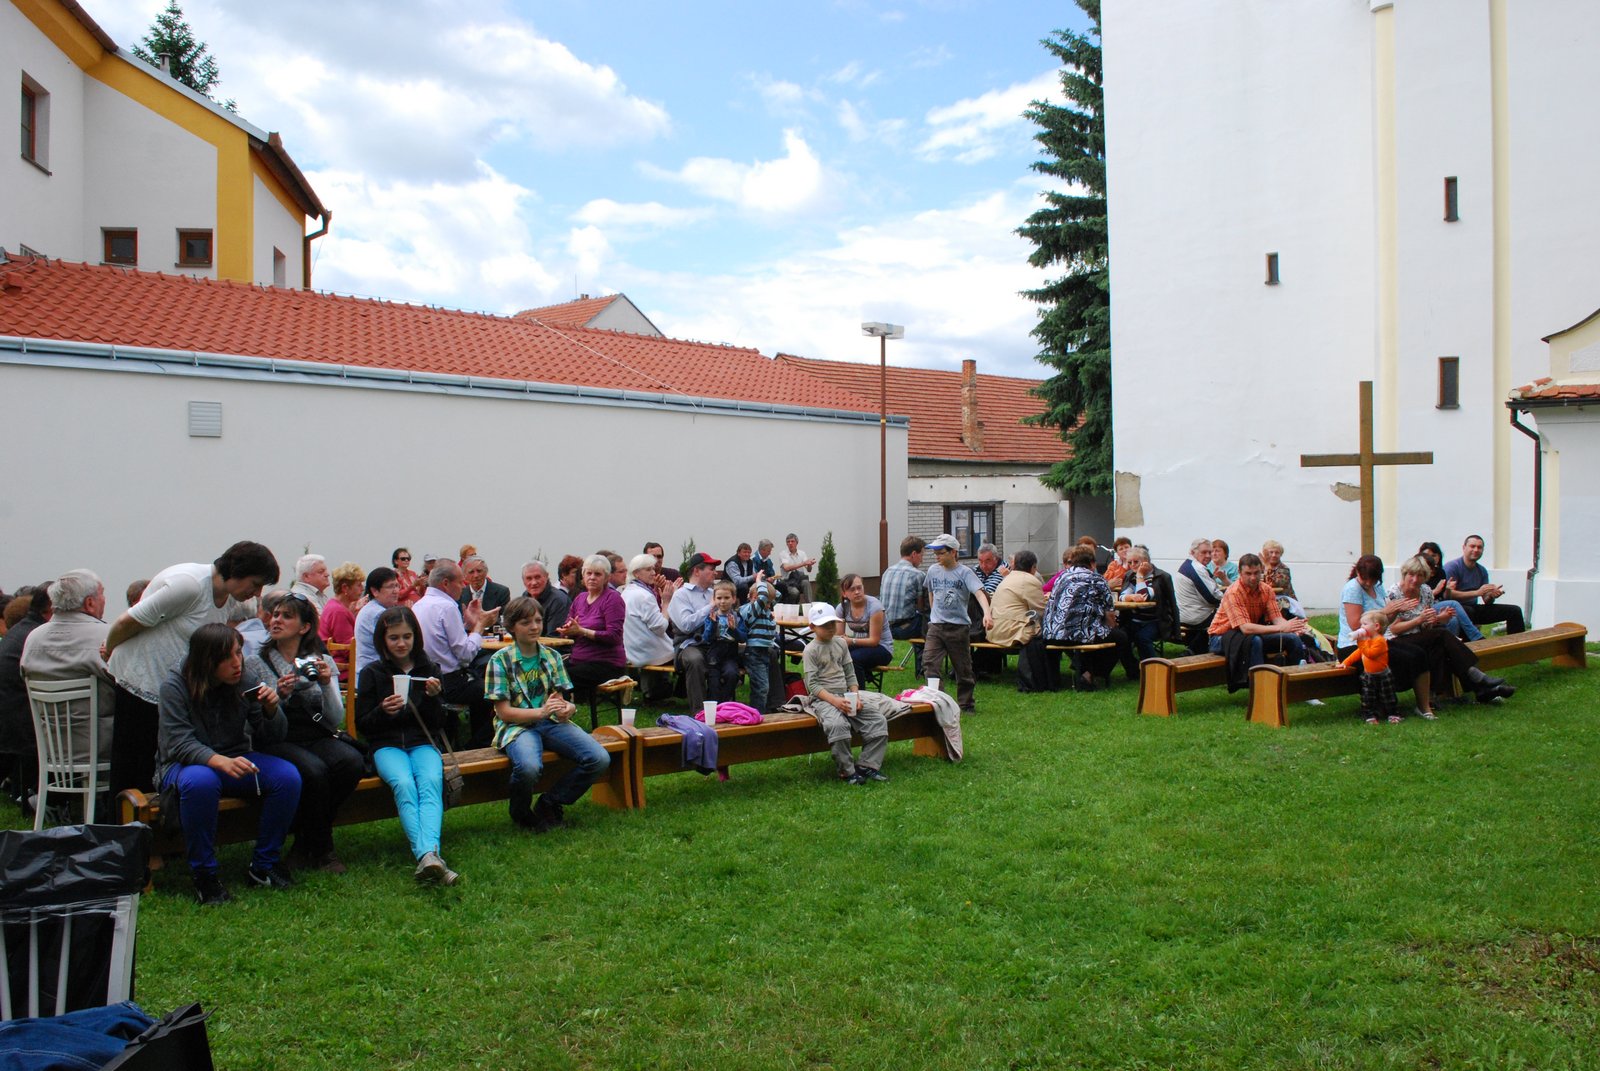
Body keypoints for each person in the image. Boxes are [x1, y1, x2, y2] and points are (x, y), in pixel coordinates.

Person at [104, 541, 279, 795]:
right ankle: (122, 820)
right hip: (140, 681)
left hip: (173, 686)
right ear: (236, 570)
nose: (257, 593)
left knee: (162, 766)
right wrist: (109, 649)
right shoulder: (189, 585)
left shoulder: (229, 598)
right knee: (134, 767)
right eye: (255, 583)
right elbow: (127, 621)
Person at [157, 624, 300, 904]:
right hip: (183, 764)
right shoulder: (175, 686)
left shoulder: (245, 679)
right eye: (227, 657)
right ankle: (205, 876)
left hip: (233, 757)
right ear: (207, 661)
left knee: (287, 777)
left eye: (238, 653)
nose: (237, 663)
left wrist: (273, 710)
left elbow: (272, 737)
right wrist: (217, 761)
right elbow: (178, 743)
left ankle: (264, 865)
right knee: (202, 782)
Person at [248, 592, 364, 874]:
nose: (276, 620)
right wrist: (279, 696)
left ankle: (304, 841)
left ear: (305, 627)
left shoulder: (319, 660)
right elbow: (259, 723)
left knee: (351, 762)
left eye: (286, 616)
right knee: (314, 771)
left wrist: (325, 683)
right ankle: (324, 849)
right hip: (276, 738)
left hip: (315, 732)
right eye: (275, 615)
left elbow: (334, 718)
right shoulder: (255, 663)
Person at [484, 597, 610, 832]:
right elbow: (503, 712)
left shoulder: (552, 656)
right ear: (512, 627)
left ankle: (550, 802)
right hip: (517, 727)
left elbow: (559, 699)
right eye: (525, 622)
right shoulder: (499, 661)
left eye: (538, 620)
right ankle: (521, 812)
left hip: (550, 722)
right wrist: (541, 711)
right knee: (529, 767)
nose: (534, 627)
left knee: (599, 758)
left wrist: (568, 709)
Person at [355, 605, 457, 885]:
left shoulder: (430, 670)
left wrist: (434, 698)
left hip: (422, 742)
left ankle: (428, 855)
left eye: (407, 636)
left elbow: (439, 723)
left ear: (416, 637)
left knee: (431, 782)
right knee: (403, 784)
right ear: (382, 640)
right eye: (394, 638)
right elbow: (362, 724)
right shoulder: (372, 672)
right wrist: (382, 711)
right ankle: (429, 855)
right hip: (386, 746)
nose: (401, 643)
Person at [17, 571, 115, 817]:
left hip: (53, 749)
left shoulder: (34, 638)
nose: (104, 600)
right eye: (102, 595)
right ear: (90, 603)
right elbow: (126, 683)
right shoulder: (105, 636)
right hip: (101, 747)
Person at [1385, 555, 1511, 707]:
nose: (1415, 579)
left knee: (1440, 646)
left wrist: (1436, 620)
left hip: (1420, 636)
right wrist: (1419, 620)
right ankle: (1477, 678)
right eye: (1411, 575)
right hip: (1397, 640)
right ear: (1404, 574)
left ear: (1425, 577)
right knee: (1442, 635)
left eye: (1420, 576)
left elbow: (1426, 625)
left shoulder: (1425, 591)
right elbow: (1393, 628)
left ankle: (1469, 692)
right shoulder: (1394, 593)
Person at [1337, 554, 1437, 717]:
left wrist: (1396, 611)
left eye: (1372, 580)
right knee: (1399, 659)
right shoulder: (1352, 589)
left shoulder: (1378, 587)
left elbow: (1383, 625)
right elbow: (1356, 625)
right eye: (1364, 579)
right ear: (1358, 573)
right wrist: (1384, 611)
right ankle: (1383, 705)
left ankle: (1424, 707)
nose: (1368, 583)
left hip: (1377, 641)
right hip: (1354, 646)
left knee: (1418, 654)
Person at [802, 604, 889, 785]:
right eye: (824, 625)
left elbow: (850, 674)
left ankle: (867, 765)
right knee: (838, 725)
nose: (830, 628)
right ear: (812, 627)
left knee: (877, 720)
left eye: (832, 624)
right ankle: (847, 771)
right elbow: (813, 685)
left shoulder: (841, 643)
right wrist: (835, 701)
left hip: (845, 694)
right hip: (823, 699)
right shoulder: (810, 650)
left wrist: (855, 695)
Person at [414, 562, 498, 748]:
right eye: (460, 582)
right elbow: (465, 654)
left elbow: (444, 640)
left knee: (480, 687)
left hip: (426, 679)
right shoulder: (447, 606)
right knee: (496, 689)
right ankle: (476, 746)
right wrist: (480, 626)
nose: (463, 586)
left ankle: (468, 741)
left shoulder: (419, 605)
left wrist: (467, 625)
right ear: (446, 583)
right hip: (448, 682)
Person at [1043, 544, 1138, 690]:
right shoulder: (1097, 579)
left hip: (1053, 633)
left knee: (1092, 632)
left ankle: (1081, 667)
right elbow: (1110, 614)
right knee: (1120, 637)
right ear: (1092, 563)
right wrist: (1112, 627)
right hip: (1079, 634)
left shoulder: (1061, 577)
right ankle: (1090, 674)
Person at [1206, 552, 1309, 680]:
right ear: (1240, 572)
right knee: (1254, 641)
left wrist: (1293, 627)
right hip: (1219, 638)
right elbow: (1245, 628)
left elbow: (1277, 619)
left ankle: (1295, 682)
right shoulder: (1233, 592)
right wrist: (1282, 628)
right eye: (1248, 573)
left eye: (1256, 573)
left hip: (1248, 636)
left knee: (1292, 639)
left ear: (1262, 571)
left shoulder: (1266, 590)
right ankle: (1259, 685)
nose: (1253, 578)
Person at [920, 533, 991, 712]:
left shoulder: (965, 572)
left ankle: (966, 704)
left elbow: (980, 593)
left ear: (953, 552)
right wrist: (934, 614)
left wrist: (987, 614)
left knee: (963, 668)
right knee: (929, 663)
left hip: (958, 628)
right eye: (935, 553)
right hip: (936, 626)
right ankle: (939, 702)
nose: (937, 556)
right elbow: (931, 592)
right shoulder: (933, 570)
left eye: (941, 553)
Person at [0, 584, 51, 810]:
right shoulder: (38, 635)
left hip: (12, 720)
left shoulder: (21, 631)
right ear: (51, 609)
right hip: (24, 726)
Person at [557, 555, 628, 706]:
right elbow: (570, 625)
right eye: (588, 573)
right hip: (578, 660)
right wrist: (567, 631)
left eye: (597, 574)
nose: (592, 577)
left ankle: (562, 714)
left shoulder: (613, 599)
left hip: (606, 663)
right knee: (549, 672)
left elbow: (614, 636)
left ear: (606, 578)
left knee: (563, 678)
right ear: (583, 576)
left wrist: (582, 631)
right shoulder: (580, 599)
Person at [668, 553, 720, 711]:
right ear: (697, 571)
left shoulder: (713, 593)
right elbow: (686, 625)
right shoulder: (681, 595)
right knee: (695, 659)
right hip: (689, 645)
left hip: (714, 643)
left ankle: (773, 704)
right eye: (711, 569)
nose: (715, 572)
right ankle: (699, 712)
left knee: (759, 651)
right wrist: (710, 607)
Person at [1444, 534, 1526, 634]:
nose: (1476, 550)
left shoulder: (1482, 570)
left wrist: (1492, 595)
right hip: (1453, 609)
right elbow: (1448, 594)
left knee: (1514, 611)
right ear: (1464, 547)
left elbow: (1486, 600)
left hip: (1473, 608)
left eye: (1479, 547)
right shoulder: (1452, 567)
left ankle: (1518, 642)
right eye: (1472, 546)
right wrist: (1476, 593)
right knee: (1469, 611)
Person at [622, 554, 675, 699]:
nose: (653, 573)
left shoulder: (627, 592)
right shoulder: (644, 596)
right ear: (636, 573)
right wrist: (666, 602)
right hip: (648, 651)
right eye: (648, 569)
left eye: (653, 569)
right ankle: (677, 692)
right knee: (688, 655)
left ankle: (654, 693)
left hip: (632, 650)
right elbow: (660, 627)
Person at [1342, 611, 1402, 724]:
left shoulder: (1380, 641)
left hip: (1383, 674)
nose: (1361, 627)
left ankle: (1393, 714)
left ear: (1376, 626)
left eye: (1364, 624)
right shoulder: (1368, 639)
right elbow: (1359, 653)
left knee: (1388, 695)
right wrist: (1345, 662)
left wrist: (1361, 643)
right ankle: (1369, 715)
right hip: (1368, 674)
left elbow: (1371, 654)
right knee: (1368, 696)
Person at [693, 581, 744, 702]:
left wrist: (734, 630)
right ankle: (714, 705)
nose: (723, 601)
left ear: (733, 599)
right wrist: (713, 624)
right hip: (713, 656)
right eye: (719, 598)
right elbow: (706, 638)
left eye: (726, 598)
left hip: (730, 656)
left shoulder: (737, 617)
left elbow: (743, 638)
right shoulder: (711, 616)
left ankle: (724, 702)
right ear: (714, 599)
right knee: (713, 682)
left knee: (732, 674)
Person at [1173, 538, 1224, 653]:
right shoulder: (1197, 568)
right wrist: (1228, 596)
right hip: (1196, 617)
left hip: (1185, 614)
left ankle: (1195, 649)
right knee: (1229, 614)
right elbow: (1212, 598)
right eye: (1204, 552)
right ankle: (1200, 649)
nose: (1208, 556)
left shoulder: (1187, 565)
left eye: (1210, 552)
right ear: (1193, 552)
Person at [837, 573, 892, 679]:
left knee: (853, 658)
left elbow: (874, 641)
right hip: (862, 646)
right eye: (852, 589)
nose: (857, 592)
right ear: (844, 593)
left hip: (882, 647)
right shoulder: (842, 608)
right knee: (836, 655)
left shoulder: (875, 607)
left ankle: (858, 689)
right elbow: (839, 638)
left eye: (859, 588)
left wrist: (851, 641)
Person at [987, 550, 1045, 647]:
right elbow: (1041, 611)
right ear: (1033, 567)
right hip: (1014, 633)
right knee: (1045, 632)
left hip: (994, 631)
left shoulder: (1006, 578)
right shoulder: (1030, 580)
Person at [739, 578, 780, 713]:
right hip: (754, 653)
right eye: (765, 601)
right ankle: (757, 714)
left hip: (764, 652)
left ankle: (758, 712)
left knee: (762, 686)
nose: (768, 605)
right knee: (761, 687)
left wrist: (765, 582)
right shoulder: (750, 610)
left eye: (769, 602)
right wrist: (759, 582)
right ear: (751, 597)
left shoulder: (764, 608)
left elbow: (777, 595)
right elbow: (763, 598)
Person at [1118, 546, 1164, 660]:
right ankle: (1133, 668)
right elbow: (1122, 597)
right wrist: (1131, 596)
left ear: (1146, 562)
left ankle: (1153, 667)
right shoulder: (1130, 576)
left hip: (1155, 620)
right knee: (1121, 637)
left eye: (1136, 562)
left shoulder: (1158, 577)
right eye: (1130, 562)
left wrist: (1140, 575)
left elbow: (1144, 597)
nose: (1132, 565)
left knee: (1142, 638)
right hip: (1135, 619)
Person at [354, 567, 402, 674]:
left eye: (397, 586)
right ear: (375, 591)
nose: (396, 591)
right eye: (390, 587)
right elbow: (393, 648)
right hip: (374, 673)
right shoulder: (378, 613)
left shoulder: (374, 608)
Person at [880, 536, 928, 640]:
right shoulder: (918, 575)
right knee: (930, 619)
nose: (922, 560)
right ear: (914, 554)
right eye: (921, 555)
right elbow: (921, 607)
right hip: (904, 629)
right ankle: (923, 650)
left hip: (884, 627)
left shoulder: (887, 571)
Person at [319, 562, 365, 650]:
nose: (362, 589)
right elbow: (347, 649)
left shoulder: (333, 604)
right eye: (358, 585)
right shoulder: (338, 611)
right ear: (345, 588)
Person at [520, 560, 571, 639]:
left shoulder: (558, 600)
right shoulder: (525, 596)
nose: (534, 582)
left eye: (537, 577)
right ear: (523, 581)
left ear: (547, 576)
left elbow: (554, 637)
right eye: (529, 578)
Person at [778, 533, 817, 605]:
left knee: (806, 583)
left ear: (797, 543)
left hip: (799, 580)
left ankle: (810, 606)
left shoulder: (802, 553)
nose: (790, 543)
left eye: (792, 541)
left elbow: (809, 570)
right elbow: (786, 568)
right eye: (788, 542)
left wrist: (809, 564)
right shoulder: (783, 554)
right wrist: (804, 563)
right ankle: (793, 608)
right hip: (787, 582)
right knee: (795, 592)